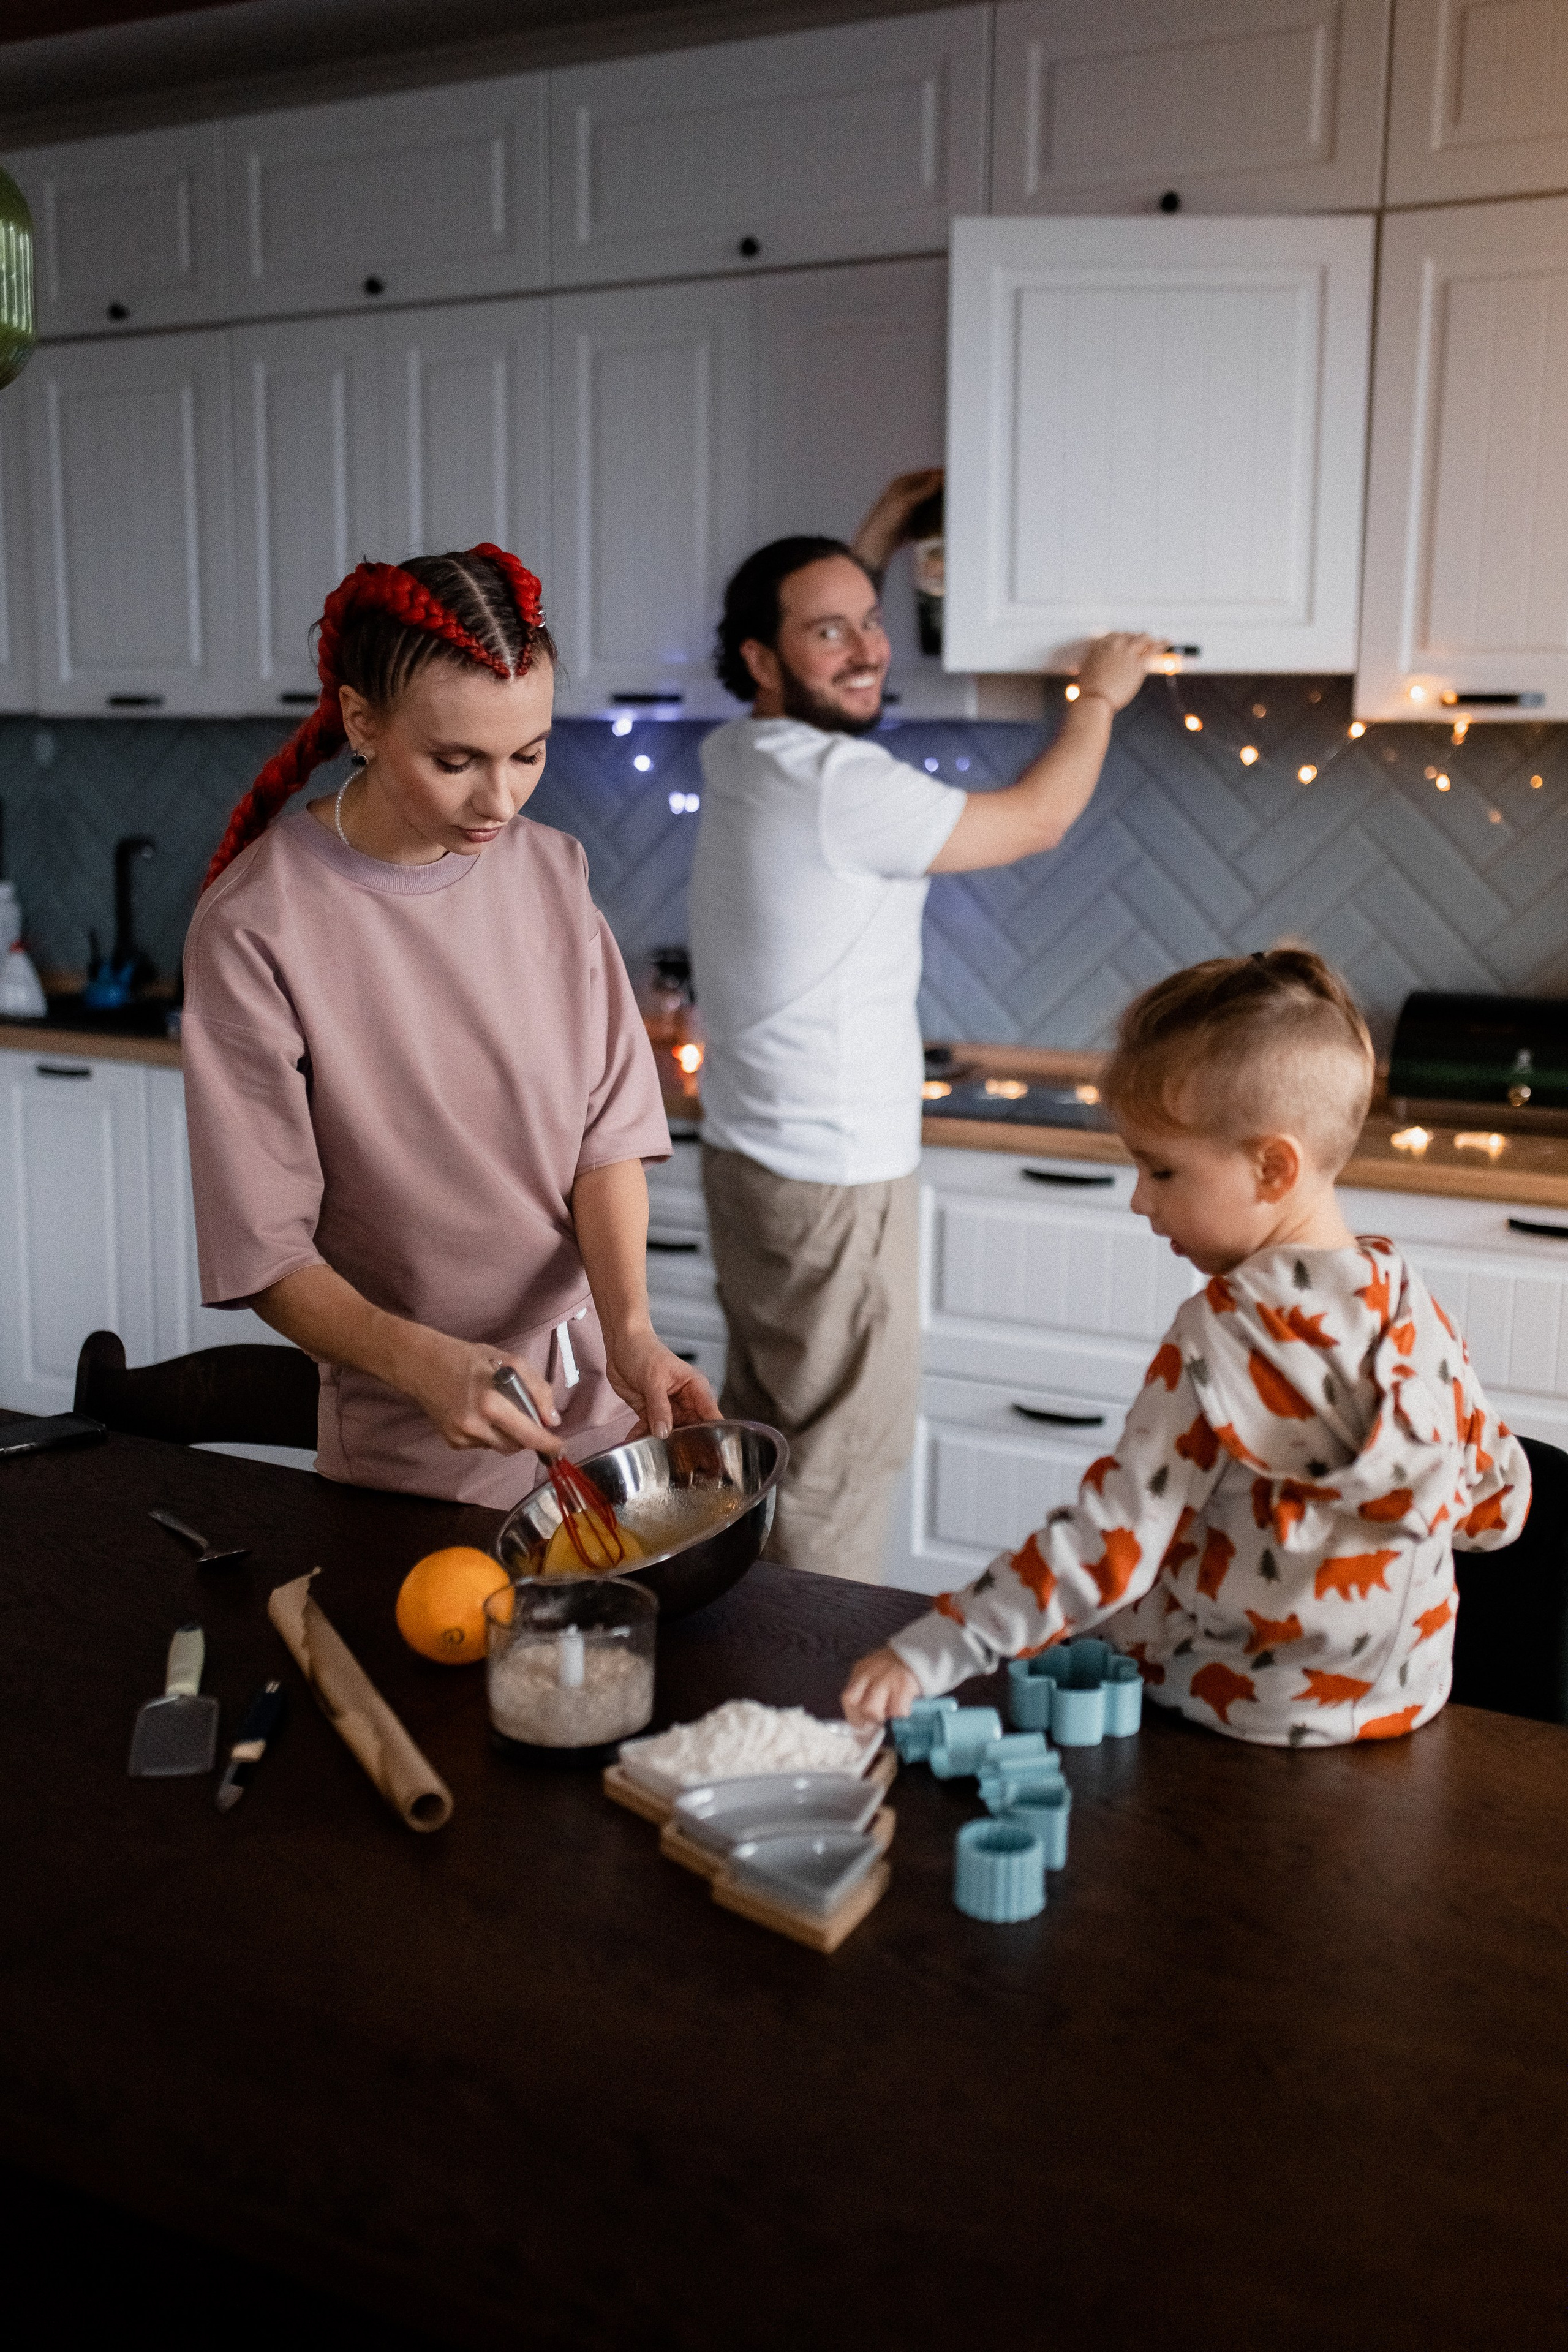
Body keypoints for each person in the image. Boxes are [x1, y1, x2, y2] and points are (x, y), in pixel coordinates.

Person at [842, 950, 1531, 1747]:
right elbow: (1501, 1506)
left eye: (1162, 1170)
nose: (1141, 1200)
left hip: (1232, 1710)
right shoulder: (1409, 1301)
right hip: (1407, 1706)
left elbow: (1112, 1547)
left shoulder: (1223, 1334)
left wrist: (933, 1649)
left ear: (1273, 1167)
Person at [183, 545, 717, 1507]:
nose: (500, 800)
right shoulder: (257, 924)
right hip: (411, 1439)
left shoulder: (551, 873)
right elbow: (266, 1250)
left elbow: (606, 1141)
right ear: (360, 721)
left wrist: (630, 1328)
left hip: (597, 1417)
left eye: (530, 754)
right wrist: (426, 1365)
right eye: (456, 760)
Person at [688, 518, 1158, 1583]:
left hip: (751, 1169)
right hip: (836, 1190)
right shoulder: (835, 784)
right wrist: (1102, 694)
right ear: (763, 659)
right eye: (829, 633)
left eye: (872, 621)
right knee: (835, 1480)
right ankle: (795, 1710)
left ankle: (731, 1679)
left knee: (762, 1459)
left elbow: (808, 619)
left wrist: (888, 528)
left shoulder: (743, 752)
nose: (865, 648)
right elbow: (1035, 821)